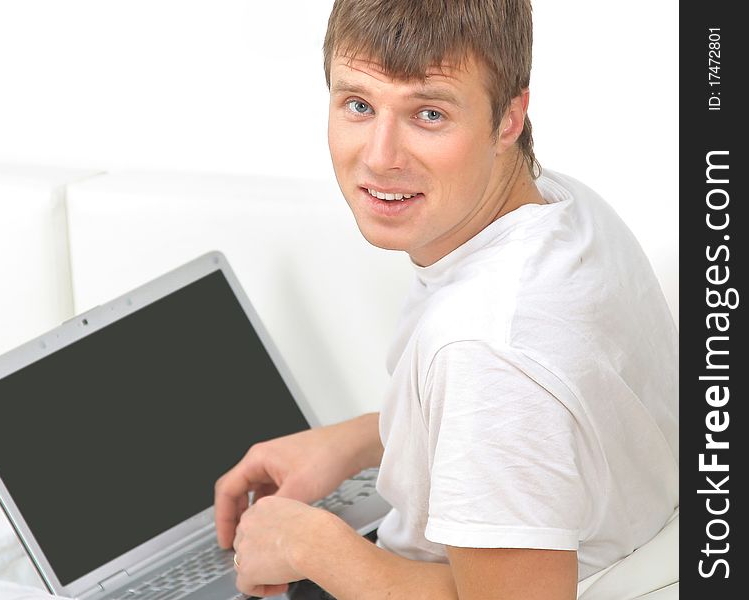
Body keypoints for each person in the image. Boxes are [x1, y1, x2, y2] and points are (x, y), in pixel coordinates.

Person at [213, 1, 679, 598]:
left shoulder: (486, 348)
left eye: (428, 113)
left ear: (509, 118)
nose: (380, 156)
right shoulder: (560, 207)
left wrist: (310, 546)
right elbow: (545, 429)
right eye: (358, 104)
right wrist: (355, 441)